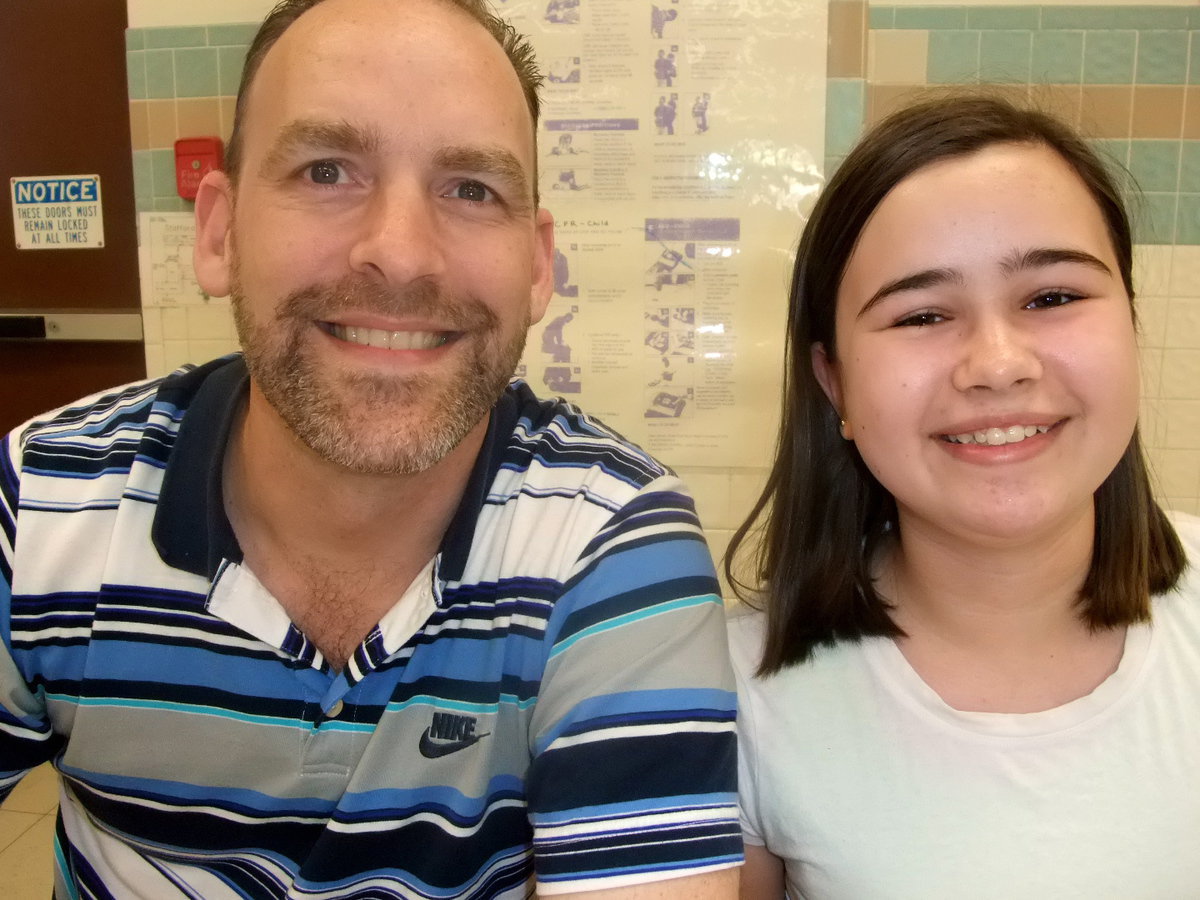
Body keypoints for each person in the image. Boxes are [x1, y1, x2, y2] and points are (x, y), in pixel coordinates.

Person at [0, 1, 742, 897]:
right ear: (219, 233)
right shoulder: (41, 503)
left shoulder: (610, 546)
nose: (399, 254)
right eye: (326, 170)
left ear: (539, 265)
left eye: (472, 188)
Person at [725, 94, 1200, 899]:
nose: (997, 363)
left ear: (1130, 321)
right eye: (923, 314)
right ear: (833, 380)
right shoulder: (738, 695)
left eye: (1052, 298)